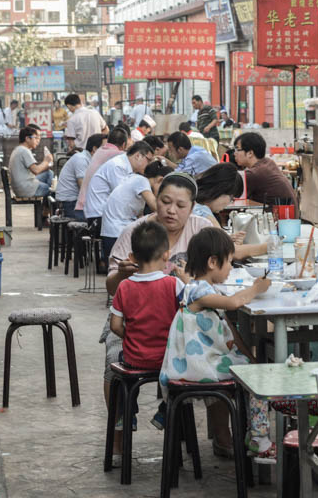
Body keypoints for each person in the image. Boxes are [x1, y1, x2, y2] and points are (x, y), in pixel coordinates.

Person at [102, 173, 212, 455]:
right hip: (135, 320)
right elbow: (112, 289)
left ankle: (215, 433)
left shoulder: (204, 231)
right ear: (155, 199)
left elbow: (223, 269)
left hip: (182, 323)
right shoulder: (136, 232)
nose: (171, 210)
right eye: (165, 202)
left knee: (213, 357)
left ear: (192, 207)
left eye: (180, 205)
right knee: (114, 359)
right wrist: (124, 276)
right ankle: (119, 436)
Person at [159, 227, 274, 463]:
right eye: (229, 262)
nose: (231, 268)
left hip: (202, 361)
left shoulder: (199, 287)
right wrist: (256, 288)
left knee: (253, 369)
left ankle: (250, 435)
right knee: (258, 379)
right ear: (213, 262)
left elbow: (230, 329)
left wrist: (248, 357)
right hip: (199, 366)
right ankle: (259, 439)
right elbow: (233, 303)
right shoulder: (199, 290)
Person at [109, 221, 184, 430]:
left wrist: (132, 336)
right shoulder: (174, 284)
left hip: (135, 358)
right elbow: (188, 316)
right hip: (167, 359)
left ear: (132, 257)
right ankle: (164, 412)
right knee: (183, 375)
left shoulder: (124, 286)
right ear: (166, 255)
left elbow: (115, 325)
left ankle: (127, 415)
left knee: (126, 379)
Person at [194, 163, 267, 259]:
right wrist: (268, 246)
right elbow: (230, 251)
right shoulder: (202, 212)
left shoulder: (195, 205)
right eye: (231, 198)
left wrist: (227, 239)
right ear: (220, 190)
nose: (230, 203)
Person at [101, 161, 172, 259]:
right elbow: (157, 208)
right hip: (117, 233)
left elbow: (140, 216)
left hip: (112, 232)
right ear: (160, 180)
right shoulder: (142, 181)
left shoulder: (133, 179)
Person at [84, 141, 155, 220]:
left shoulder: (126, 165)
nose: (149, 165)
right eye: (148, 160)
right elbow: (122, 199)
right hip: (99, 215)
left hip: (107, 213)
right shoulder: (118, 166)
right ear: (138, 156)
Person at [76, 126, 129, 213]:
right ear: (123, 145)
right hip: (91, 210)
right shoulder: (117, 154)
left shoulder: (101, 150)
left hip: (84, 205)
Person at [233, 132, 295, 204]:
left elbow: (233, 196)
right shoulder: (268, 162)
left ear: (250, 153)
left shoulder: (254, 173)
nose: (234, 153)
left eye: (237, 149)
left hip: (277, 214)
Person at [56, 133, 104, 219]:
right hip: (70, 203)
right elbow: (84, 188)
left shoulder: (90, 160)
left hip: (74, 201)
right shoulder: (81, 159)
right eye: (104, 148)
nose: (107, 151)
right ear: (95, 149)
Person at [8, 126, 54, 198]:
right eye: (35, 138)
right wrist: (46, 161)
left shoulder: (19, 149)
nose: (37, 141)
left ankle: (46, 205)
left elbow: (35, 170)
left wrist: (46, 164)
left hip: (22, 186)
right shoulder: (24, 151)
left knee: (49, 173)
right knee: (51, 190)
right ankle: (48, 204)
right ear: (27, 139)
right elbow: (36, 170)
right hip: (26, 189)